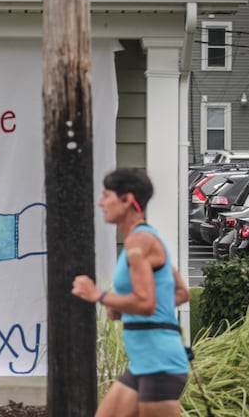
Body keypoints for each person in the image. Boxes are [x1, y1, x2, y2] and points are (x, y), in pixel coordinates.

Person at [72, 168, 191, 417]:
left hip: (160, 363)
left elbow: (146, 302)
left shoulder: (139, 243)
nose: (100, 203)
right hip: (143, 364)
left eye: (107, 196)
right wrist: (123, 307)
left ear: (126, 200)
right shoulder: (142, 240)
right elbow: (180, 293)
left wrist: (99, 296)